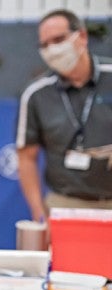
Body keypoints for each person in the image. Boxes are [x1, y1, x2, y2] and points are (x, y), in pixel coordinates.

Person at [16, 8, 112, 223]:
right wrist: (38, 211)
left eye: (58, 39)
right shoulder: (36, 94)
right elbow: (26, 158)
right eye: (45, 44)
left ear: (82, 37)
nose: (52, 49)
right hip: (63, 204)